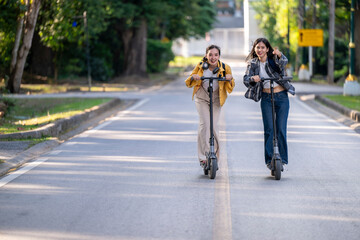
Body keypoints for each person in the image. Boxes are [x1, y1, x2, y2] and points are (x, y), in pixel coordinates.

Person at [243, 37, 295, 170]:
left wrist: (279, 54)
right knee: (269, 130)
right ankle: (269, 160)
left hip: (281, 96)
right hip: (266, 97)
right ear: (255, 49)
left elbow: (284, 62)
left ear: (267, 49)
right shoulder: (253, 63)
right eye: (257, 47)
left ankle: (282, 159)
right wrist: (252, 79)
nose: (260, 50)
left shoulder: (273, 60)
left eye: (262, 47)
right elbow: (246, 79)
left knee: (281, 129)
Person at [185, 45, 235, 167]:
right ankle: (204, 156)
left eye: (216, 55)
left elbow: (231, 87)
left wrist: (229, 79)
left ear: (219, 56)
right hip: (202, 97)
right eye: (210, 55)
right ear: (206, 55)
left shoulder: (224, 67)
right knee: (205, 125)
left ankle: (214, 156)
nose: (213, 57)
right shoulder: (201, 65)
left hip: (217, 98)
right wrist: (194, 76)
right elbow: (189, 82)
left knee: (214, 127)